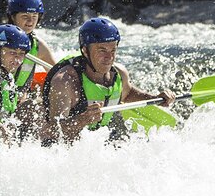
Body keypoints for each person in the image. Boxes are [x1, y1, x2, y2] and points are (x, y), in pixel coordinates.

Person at [41, 17, 176, 145]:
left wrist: (155, 98)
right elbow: (52, 131)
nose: (109, 57)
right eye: (102, 50)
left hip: (100, 143)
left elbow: (127, 94)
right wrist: (82, 120)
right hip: (67, 150)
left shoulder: (119, 74)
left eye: (113, 50)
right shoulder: (65, 82)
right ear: (85, 51)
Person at [0, 0, 57, 140]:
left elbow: (58, 72)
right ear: (12, 16)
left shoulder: (38, 46)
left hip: (15, 103)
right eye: (25, 17)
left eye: (34, 17)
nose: (30, 22)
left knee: (36, 107)